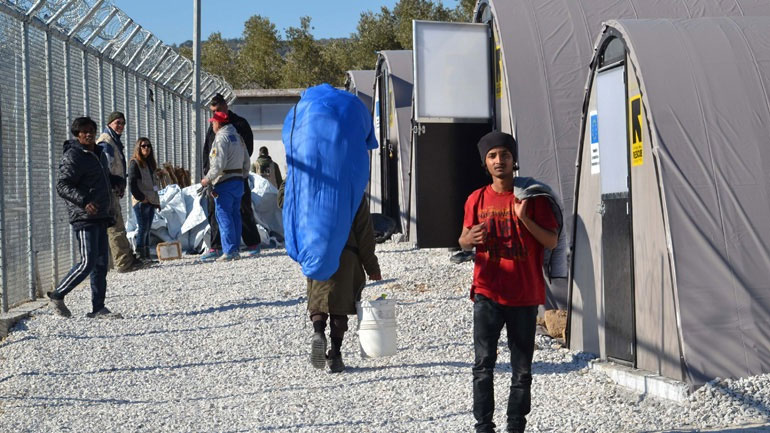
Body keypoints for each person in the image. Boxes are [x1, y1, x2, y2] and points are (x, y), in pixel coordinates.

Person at [458, 131, 558, 433]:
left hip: (524, 296)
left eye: (504, 154)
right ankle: (484, 426)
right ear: (485, 163)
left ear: (514, 160)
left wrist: (524, 218)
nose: (499, 160)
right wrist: (467, 239)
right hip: (488, 293)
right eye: (492, 156)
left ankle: (516, 426)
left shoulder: (533, 197)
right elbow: (463, 240)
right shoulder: (476, 199)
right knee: (483, 365)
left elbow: (551, 241)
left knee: (522, 370)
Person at [278, 181, 382, 373]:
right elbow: (364, 232)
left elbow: (285, 199)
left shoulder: (309, 183)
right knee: (340, 304)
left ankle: (318, 332)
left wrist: (293, 176)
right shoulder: (352, 187)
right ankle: (335, 353)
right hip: (346, 253)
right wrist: (371, 266)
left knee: (318, 297)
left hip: (316, 250)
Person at [47, 117, 122, 319]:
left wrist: (116, 182)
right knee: (88, 261)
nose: (88, 134)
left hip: (100, 215)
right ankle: (57, 295)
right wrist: (84, 200)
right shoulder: (74, 155)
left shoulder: (97, 154)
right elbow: (63, 185)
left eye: (91, 130)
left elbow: (101, 178)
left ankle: (98, 308)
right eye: (84, 131)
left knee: (100, 263)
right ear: (77, 134)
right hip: (84, 215)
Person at [199, 93, 261, 261]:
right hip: (237, 177)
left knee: (229, 213)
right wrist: (242, 173)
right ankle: (220, 246)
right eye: (212, 111)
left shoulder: (232, 129)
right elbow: (208, 153)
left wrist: (208, 178)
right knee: (228, 213)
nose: (214, 117)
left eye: (217, 111)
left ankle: (239, 246)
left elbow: (218, 161)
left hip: (224, 179)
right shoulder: (235, 134)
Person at [97, 111, 142, 272]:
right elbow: (105, 168)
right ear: (110, 123)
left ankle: (125, 258)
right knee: (115, 227)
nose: (121, 126)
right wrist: (115, 184)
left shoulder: (113, 141)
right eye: (117, 123)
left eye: (122, 123)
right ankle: (123, 262)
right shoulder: (106, 142)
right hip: (108, 190)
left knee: (118, 225)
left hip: (113, 189)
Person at [128, 137, 160, 261]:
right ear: (138, 148)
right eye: (143, 146)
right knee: (142, 227)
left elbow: (154, 185)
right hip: (142, 202)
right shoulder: (135, 163)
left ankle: (146, 255)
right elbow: (132, 184)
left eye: (148, 146)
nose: (146, 148)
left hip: (151, 201)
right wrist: (142, 198)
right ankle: (140, 255)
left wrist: (156, 201)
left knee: (148, 228)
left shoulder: (150, 164)